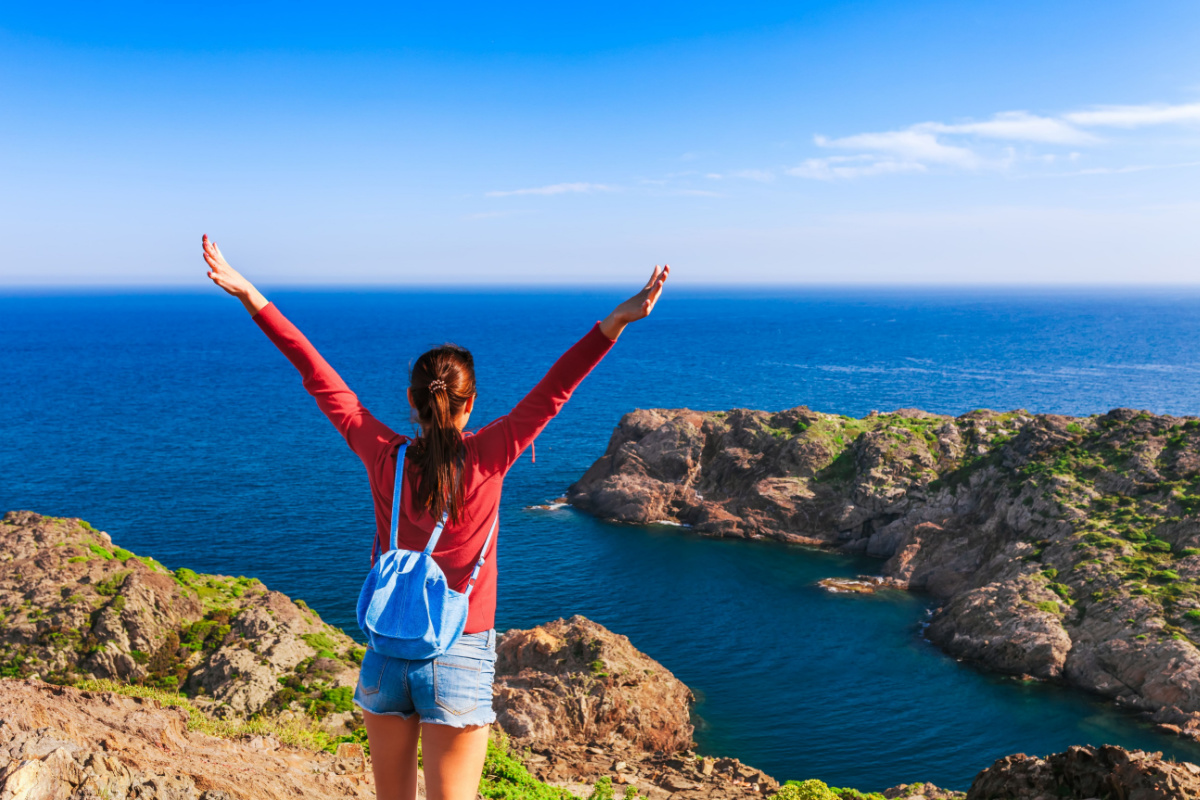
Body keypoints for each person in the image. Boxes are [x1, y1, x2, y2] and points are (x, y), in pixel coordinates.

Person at [201, 235, 668, 800]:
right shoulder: (493, 453)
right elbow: (557, 388)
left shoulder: (384, 455)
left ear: (411, 399)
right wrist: (617, 320)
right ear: (470, 403)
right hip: (462, 650)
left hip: (387, 651)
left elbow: (317, 375)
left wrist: (251, 294)